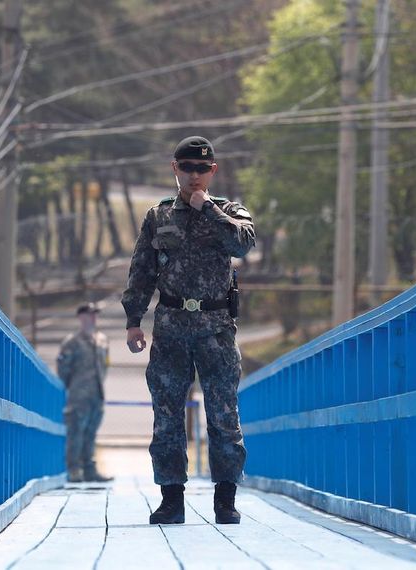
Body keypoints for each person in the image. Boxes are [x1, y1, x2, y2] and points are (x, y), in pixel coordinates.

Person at [121, 135, 256, 524]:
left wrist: (209, 210)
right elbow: (141, 271)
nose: (194, 175)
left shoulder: (229, 211)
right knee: (167, 416)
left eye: (202, 168)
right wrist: (133, 320)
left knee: (223, 415)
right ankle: (171, 499)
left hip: (216, 329)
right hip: (172, 327)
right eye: (187, 168)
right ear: (175, 169)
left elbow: (244, 244)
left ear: (212, 171)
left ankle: (225, 500)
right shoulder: (158, 216)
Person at [56, 302, 113, 483]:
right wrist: (74, 386)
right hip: (79, 394)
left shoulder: (102, 340)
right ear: (81, 317)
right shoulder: (72, 342)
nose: (93, 318)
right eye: (90, 314)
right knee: (76, 432)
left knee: (91, 432)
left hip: (97, 393)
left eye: (95, 314)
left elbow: (105, 366)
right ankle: (74, 470)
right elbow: (63, 369)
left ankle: (89, 470)